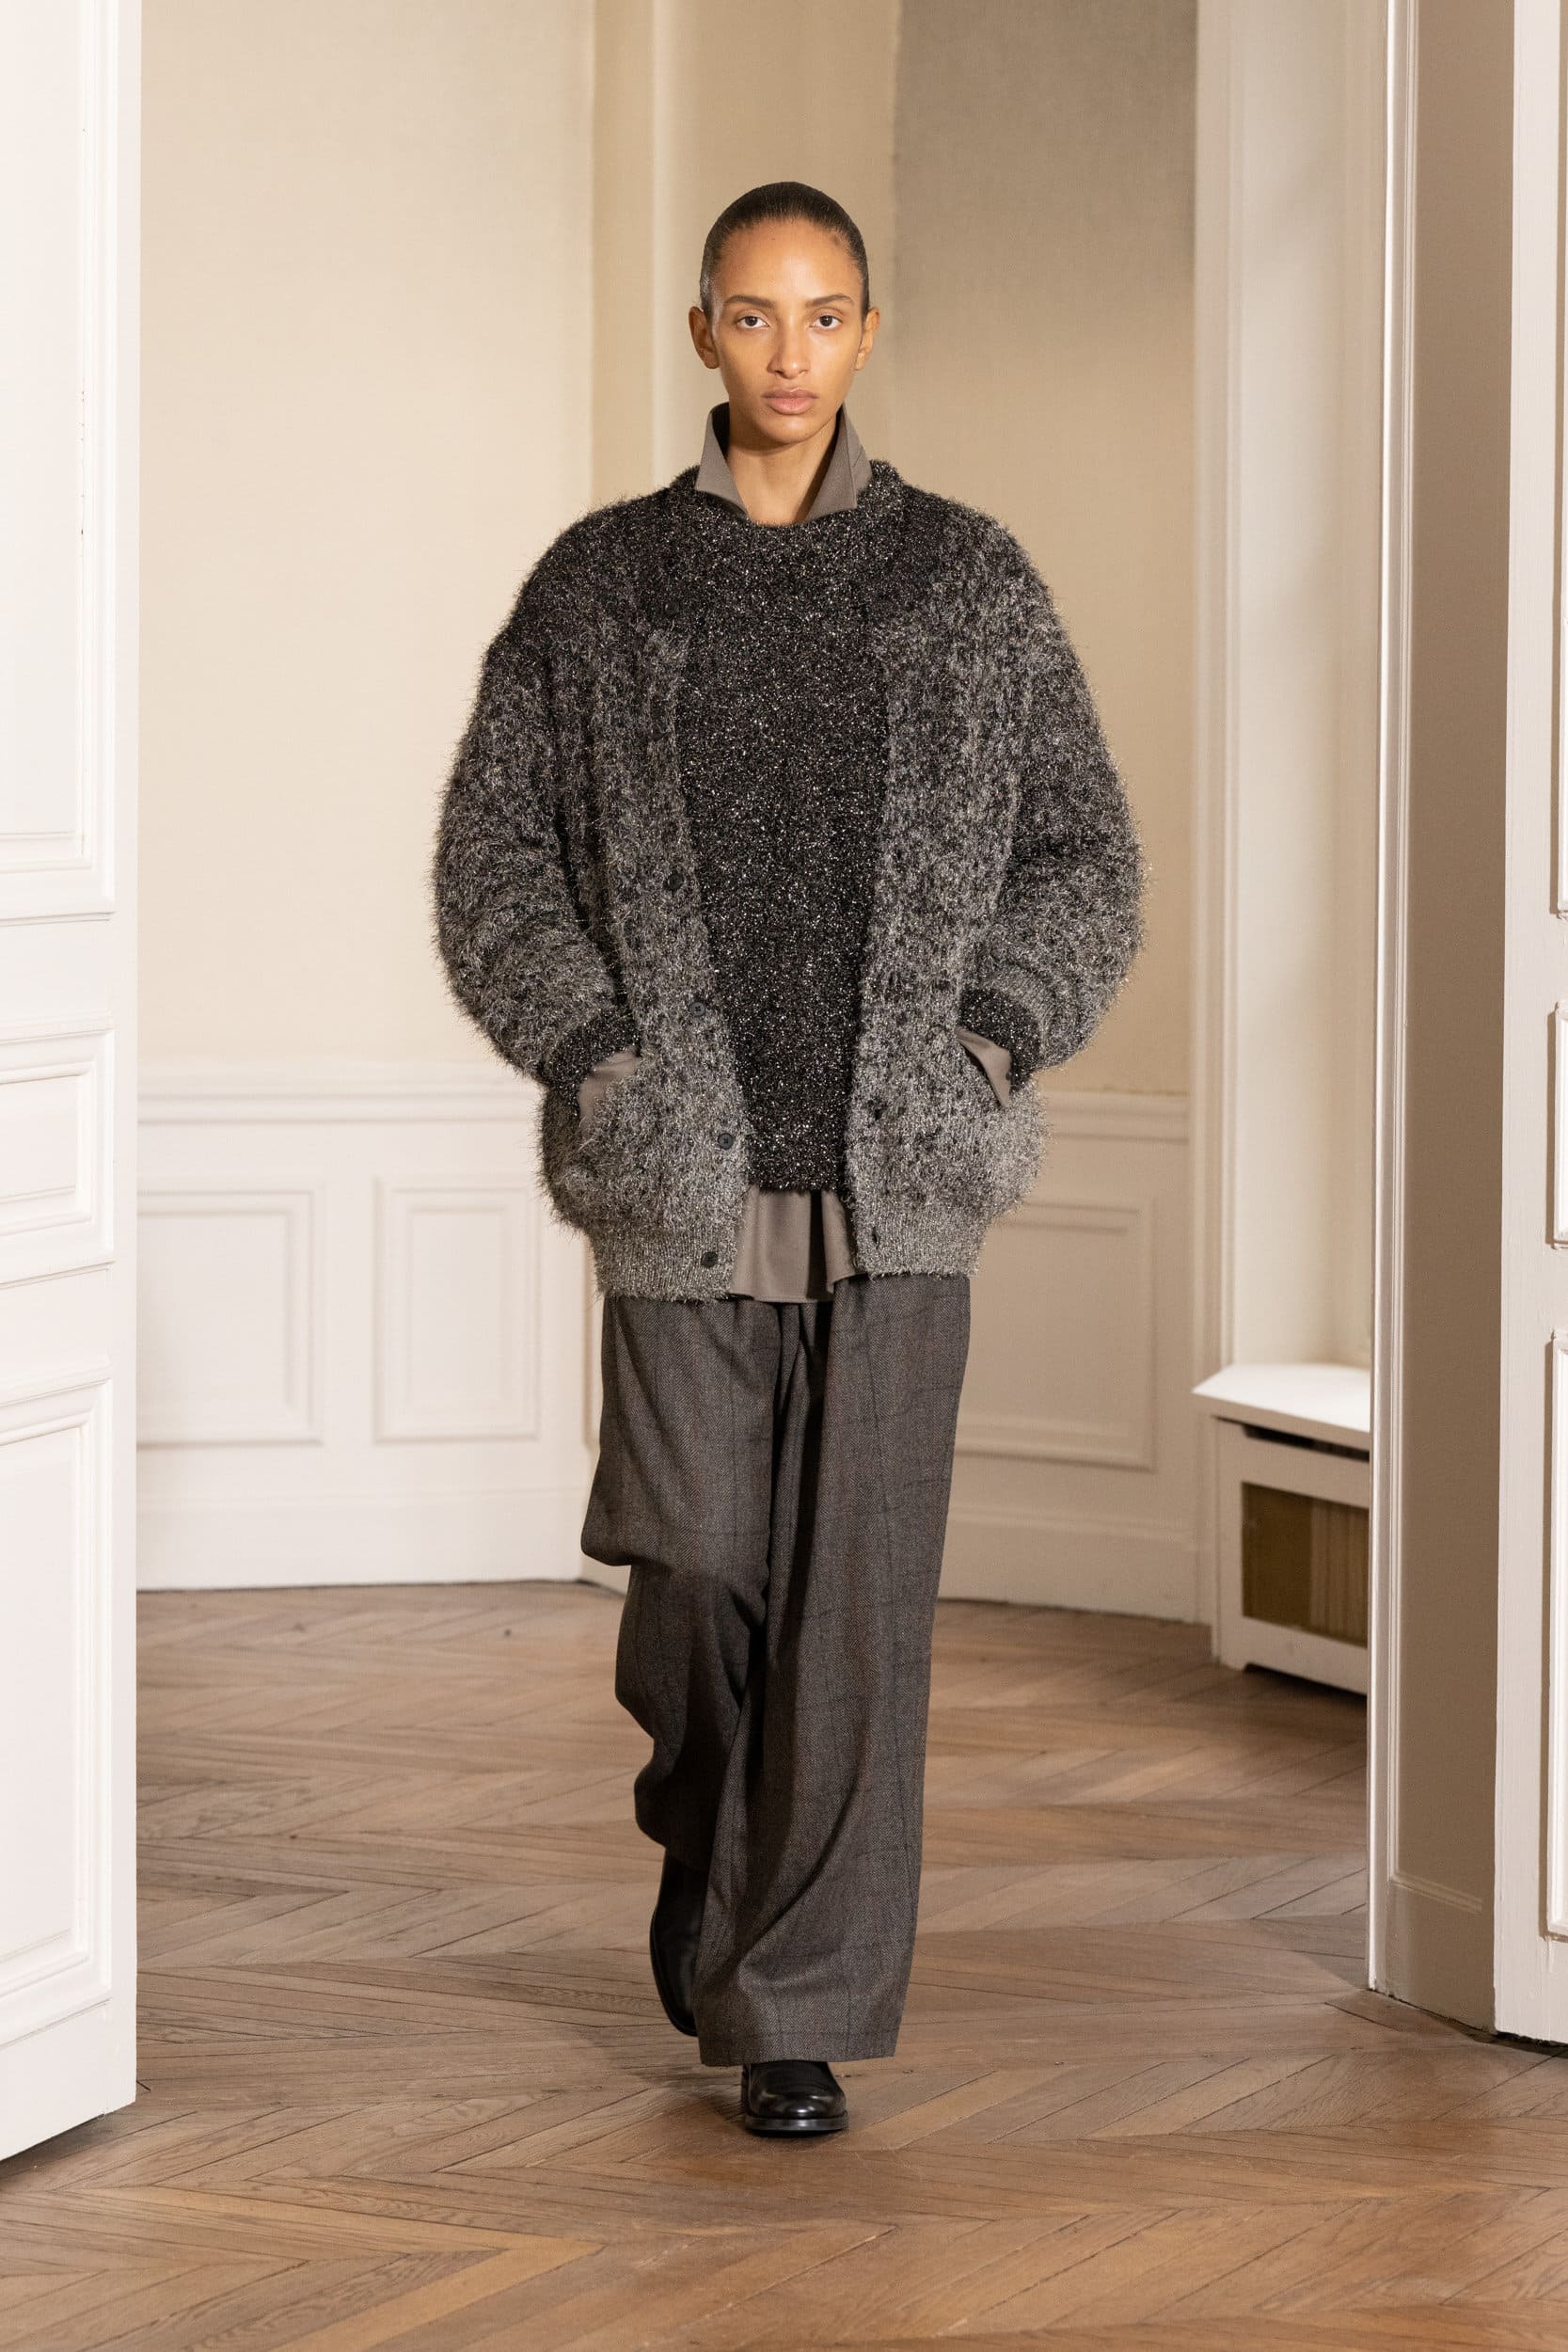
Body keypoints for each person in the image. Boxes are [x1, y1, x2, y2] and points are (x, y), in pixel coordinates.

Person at [431, 180, 1148, 2137]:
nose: (789, 354)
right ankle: (712, 1844)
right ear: (703, 334)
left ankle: (792, 2011)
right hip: (680, 1169)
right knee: (695, 1571)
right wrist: (596, 1055)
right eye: (753, 316)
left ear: (867, 332)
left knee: (857, 1611)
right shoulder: (602, 589)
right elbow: (494, 856)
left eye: (824, 315)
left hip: (902, 1175)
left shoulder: (966, 582)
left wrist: (992, 1030)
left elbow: (1084, 854)